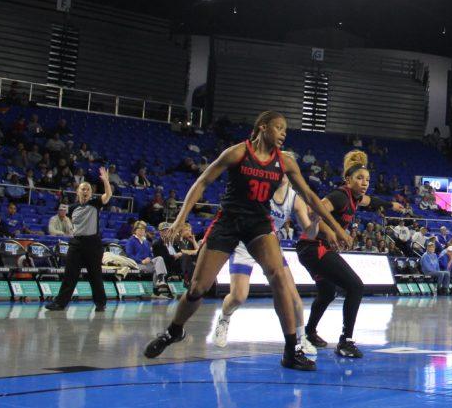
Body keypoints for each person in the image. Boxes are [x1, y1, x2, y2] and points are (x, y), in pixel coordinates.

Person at [145, 111, 350, 370]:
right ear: (262, 127)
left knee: (278, 277)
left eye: (285, 129)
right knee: (198, 288)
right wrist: (178, 220)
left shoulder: (285, 162)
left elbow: (309, 196)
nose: (284, 133)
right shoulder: (237, 153)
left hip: (259, 225)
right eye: (278, 127)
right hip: (229, 222)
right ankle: (174, 330)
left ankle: (290, 350)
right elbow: (202, 182)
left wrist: (336, 228)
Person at [298, 150, 405, 358]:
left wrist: (392, 204)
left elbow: (373, 202)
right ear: (348, 180)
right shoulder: (339, 196)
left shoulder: (356, 198)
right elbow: (313, 212)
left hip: (313, 250)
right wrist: (331, 232)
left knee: (328, 292)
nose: (364, 183)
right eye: (359, 178)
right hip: (313, 248)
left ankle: (309, 333)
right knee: (356, 286)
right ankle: (345, 341)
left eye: (367, 179)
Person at [213, 176, 314, 350]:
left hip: (270, 246)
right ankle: (224, 317)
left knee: (293, 297)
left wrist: (317, 219)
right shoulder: (262, 189)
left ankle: (301, 339)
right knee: (239, 296)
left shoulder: (295, 199)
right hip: (245, 243)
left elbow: (310, 233)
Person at [46, 168, 113, 311]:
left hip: (93, 244)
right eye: (83, 188)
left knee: (95, 276)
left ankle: (101, 304)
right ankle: (60, 303)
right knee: (69, 275)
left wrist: (106, 181)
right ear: (78, 191)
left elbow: (108, 195)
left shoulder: (95, 203)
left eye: (88, 189)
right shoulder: (72, 208)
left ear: (91, 192)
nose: (85, 191)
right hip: (76, 243)